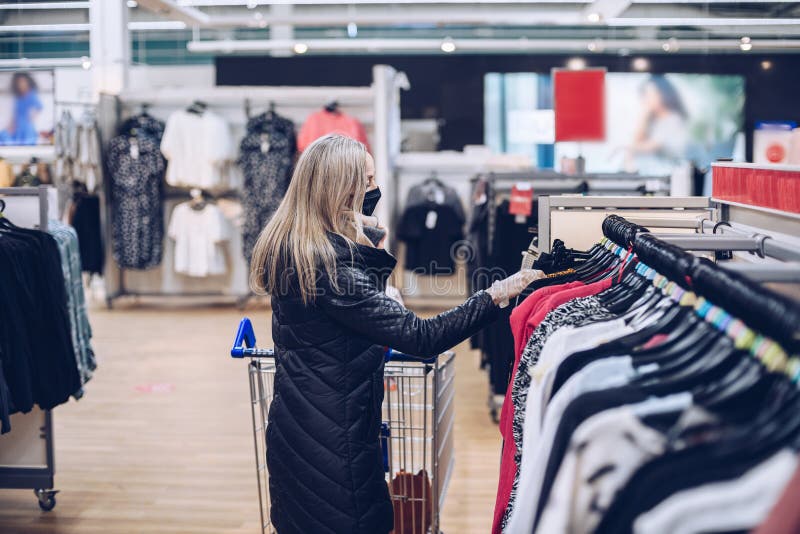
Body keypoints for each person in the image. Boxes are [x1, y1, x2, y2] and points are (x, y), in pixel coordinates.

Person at [250, 134, 541, 534]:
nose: (375, 190)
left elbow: (353, 318)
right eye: (367, 181)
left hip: (306, 425)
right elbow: (420, 337)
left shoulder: (300, 247)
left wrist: (365, 246)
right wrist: (495, 295)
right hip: (333, 442)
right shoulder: (331, 268)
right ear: (342, 189)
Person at [625, 75, 689, 175]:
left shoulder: (673, 119)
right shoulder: (653, 121)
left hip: (671, 174)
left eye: (651, 94)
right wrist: (644, 116)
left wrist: (628, 148)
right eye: (645, 94)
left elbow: (648, 147)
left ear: (663, 93)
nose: (647, 98)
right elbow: (635, 145)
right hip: (654, 173)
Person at [0, 72, 42, 146]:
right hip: (17, 126)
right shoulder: (18, 97)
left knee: (25, 143)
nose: (21, 84)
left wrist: (30, 118)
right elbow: (15, 114)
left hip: (26, 126)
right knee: (4, 135)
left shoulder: (31, 94)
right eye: (19, 82)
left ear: (28, 82)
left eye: (23, 81)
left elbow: (39, 107)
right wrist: (10, 126)